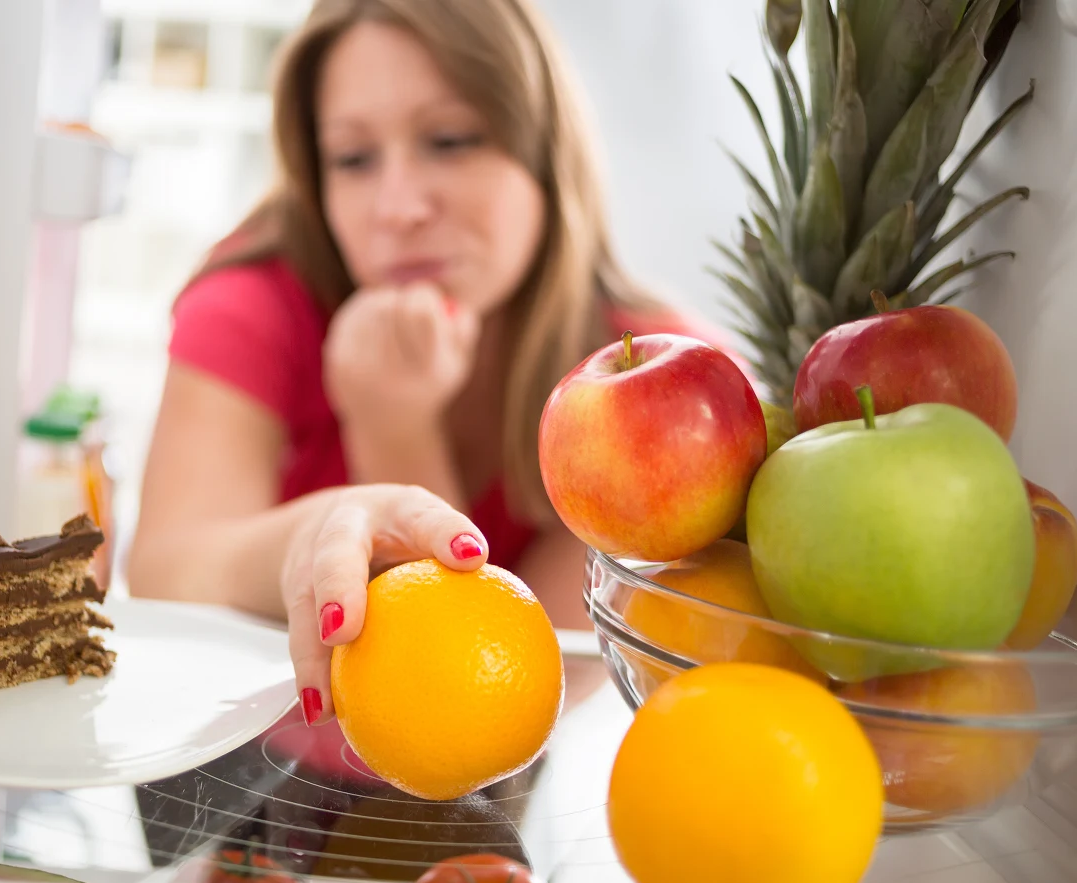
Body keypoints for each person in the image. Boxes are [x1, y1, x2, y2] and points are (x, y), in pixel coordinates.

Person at [129, 0, 726, 727]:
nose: (399, 206)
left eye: (449, 140)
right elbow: (163, 574)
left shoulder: (660, 390)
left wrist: (394, 428)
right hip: (242, 783)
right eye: (353, 158)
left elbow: (494, 701)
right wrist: (309, 540)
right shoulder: (253, 302)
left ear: (542, 149)